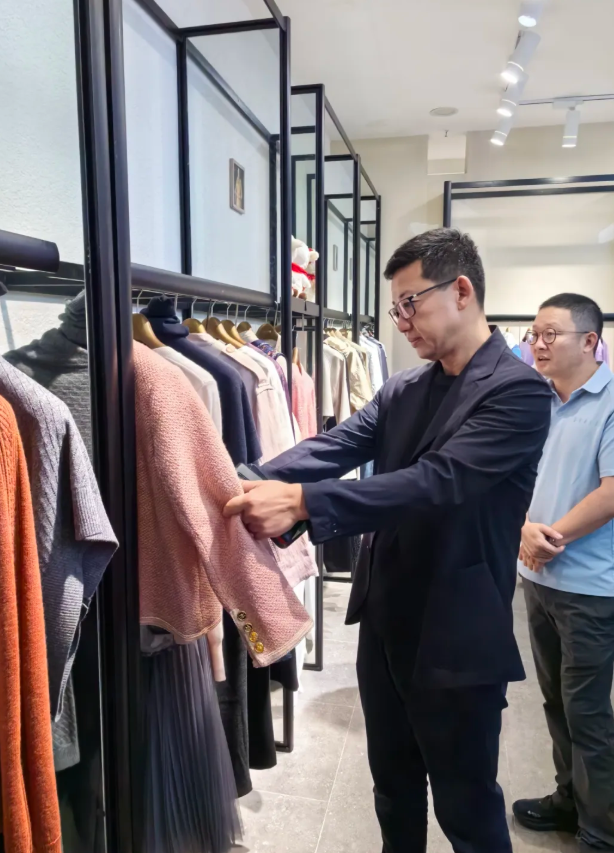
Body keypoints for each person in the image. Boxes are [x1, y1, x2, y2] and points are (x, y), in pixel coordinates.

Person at [224, 228, 552, 853]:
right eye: (396, 307)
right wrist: (246, 478)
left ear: (462, 290)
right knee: (393, 792)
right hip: (384, 621)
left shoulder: (519, 391)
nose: (400, 321)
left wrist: (304, 502)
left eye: (410, 303)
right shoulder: (404, 387)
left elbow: (440, 481)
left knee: (467, 808)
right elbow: (336, 445)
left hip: (456, 635)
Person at [513, 294, 614, 853]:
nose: (538, 344)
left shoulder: (611, 402)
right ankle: (567, 800)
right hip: (540, 580)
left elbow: (611, 493)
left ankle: (601, 832)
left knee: (588, 712)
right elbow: (519, 478)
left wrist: (550, 538)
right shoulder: (540, 400)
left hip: (589, 589)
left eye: (550, 334)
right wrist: (525, 529)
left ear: (590, 341)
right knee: (554, 702)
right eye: (535, 334)